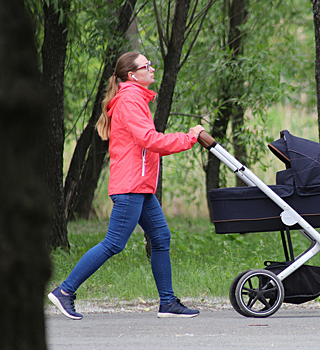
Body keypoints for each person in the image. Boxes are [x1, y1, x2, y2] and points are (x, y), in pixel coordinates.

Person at [48, 51, 205, 319]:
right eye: (147, 66)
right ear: (132, 75)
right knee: (114, 243)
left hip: (140, 186)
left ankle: (167, 302)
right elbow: (150, 140)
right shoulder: (130, 100)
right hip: (131, 185)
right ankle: (65, 291)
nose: (152, 69)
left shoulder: (135, 98)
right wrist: (189, 137)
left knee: (160, 238)